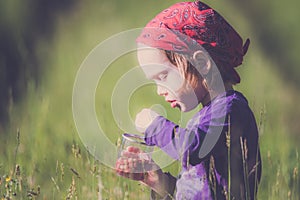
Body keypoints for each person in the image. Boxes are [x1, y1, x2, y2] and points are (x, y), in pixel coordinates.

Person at [115, 1, 261, 199]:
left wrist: (155, 127)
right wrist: (160, 182)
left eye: (163, 77)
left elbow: (192, 148)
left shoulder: (230, 110)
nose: (159, 90)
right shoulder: (207, 115)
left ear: (201, 63)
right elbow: (199, 192)